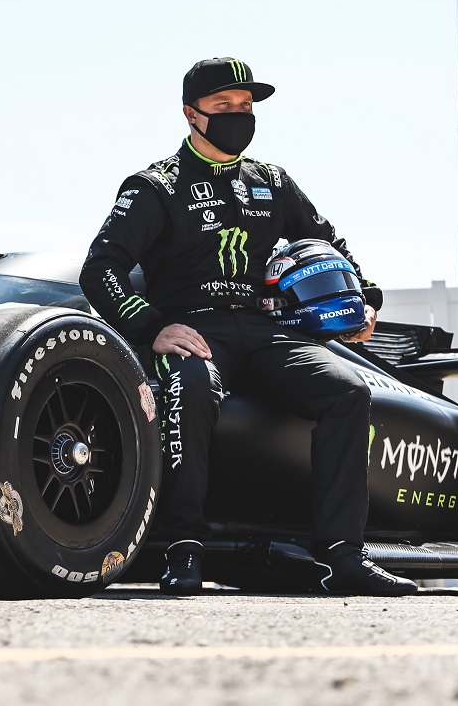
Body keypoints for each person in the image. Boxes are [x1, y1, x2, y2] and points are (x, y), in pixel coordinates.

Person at [79, 57, 417, 597]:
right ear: (192, 114)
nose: (239, 115)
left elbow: (331, 243)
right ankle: (182, 549)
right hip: (194, 328)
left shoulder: (272, 181)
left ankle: (341, 556)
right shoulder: (154, 185)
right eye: (223, 106)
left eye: (245, 106)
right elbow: (100, 270)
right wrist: (153, 328)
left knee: (348, 391)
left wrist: (365, 300)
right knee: (189, 388)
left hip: (266, 330)